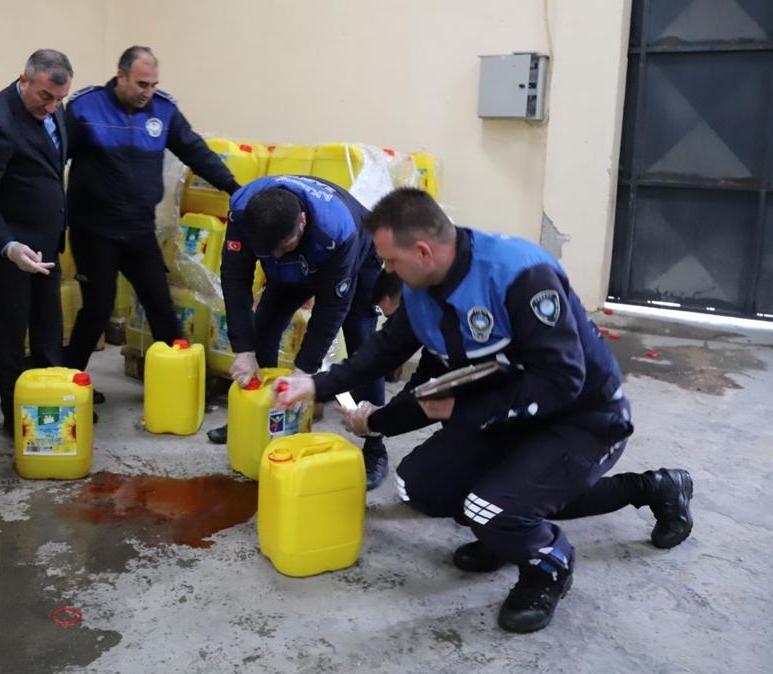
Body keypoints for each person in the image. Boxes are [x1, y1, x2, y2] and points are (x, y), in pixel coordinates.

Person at [275, 188, 694, 633]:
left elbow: (561, 380)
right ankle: (504, 527)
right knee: (423, 486)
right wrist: (317, 385)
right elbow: (385, 353)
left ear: (422, 250)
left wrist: (460, 410)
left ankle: (554, 561)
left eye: (391, 262)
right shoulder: (422, 289)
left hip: (583, 417)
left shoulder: (518, 276)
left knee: (489, 506)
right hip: (506, 409)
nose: (386, 272)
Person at [63, 46, 241, 392]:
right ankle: (70, 386)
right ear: (121, 76)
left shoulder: (164, 109)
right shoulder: (85, 107)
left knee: (160, 304)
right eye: (142, 84)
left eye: (153, 84)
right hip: (93, 231)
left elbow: (195, 151)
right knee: (97, 309)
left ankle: (180, 387)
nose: (148, 92)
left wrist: (235, 188)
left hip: (138, 230)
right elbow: (52, 160)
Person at [208, 175, 389, 490]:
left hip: (356, 260)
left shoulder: (337, 230)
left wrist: (303, 371)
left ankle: (375, 447)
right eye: (269, 251)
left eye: (283, 247)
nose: (275, 256)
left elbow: (331, 310)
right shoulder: (244, 212)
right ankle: (255, 419)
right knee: (262, 328)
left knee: (364, 347)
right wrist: (243, 350)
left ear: (302, 221)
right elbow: (234, 280)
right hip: (296, 265)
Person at [0, 50, 73, 434]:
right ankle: (17, 422)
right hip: (9, 251)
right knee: (11, 338)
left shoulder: (55, 109)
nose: (52, 105)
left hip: (46, 244)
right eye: (45, 95)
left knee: (49, 334)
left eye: (60, 99)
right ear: (24, 80)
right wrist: (9, 246)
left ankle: (50, 412)